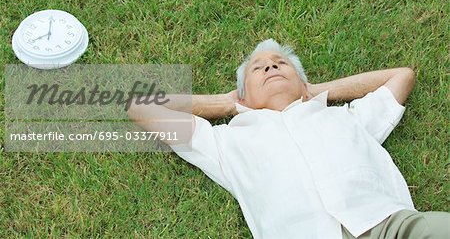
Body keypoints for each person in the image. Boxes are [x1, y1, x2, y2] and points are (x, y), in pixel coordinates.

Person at [127, 39, 450, 239]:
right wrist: (226, 104)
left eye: (281, 64)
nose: (270, 65)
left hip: (388, 226)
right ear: (243, 95)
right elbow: (140, 107)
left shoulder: (347, 118)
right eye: (258, 68)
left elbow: (401, 76)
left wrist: (316, 91)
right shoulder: (223, 143)